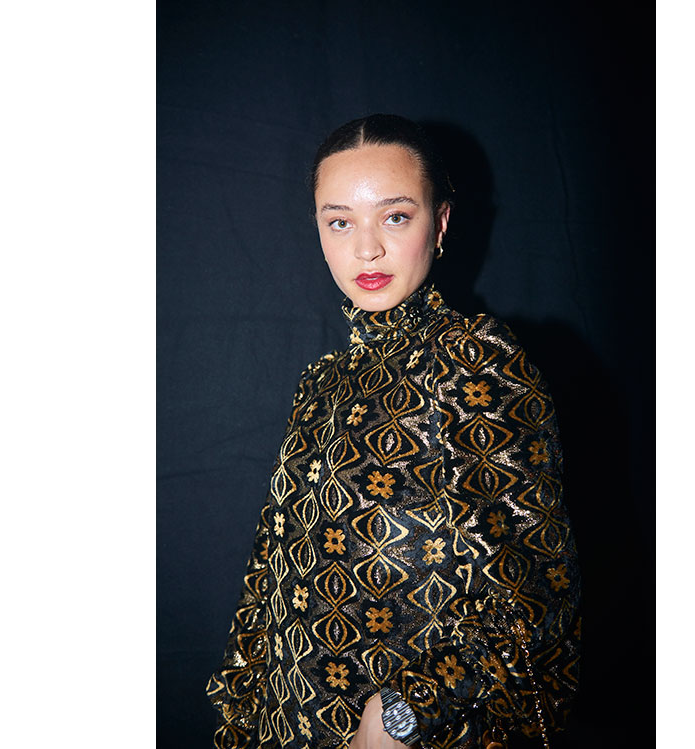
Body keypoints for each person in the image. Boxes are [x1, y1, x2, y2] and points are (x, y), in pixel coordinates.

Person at [207, 114, 581, 749]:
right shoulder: (320, 384)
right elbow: (269, 580)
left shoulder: (475, 362)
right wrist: (239, 720)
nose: (367, 249)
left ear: (441, 223)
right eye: (340, 222)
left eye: (396, 216)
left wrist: (402, 714)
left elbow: (538, 599)